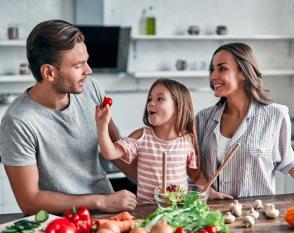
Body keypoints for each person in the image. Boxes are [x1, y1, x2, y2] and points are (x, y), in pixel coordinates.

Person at [0, 19, 137, 214]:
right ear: (49, 72)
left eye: (86, 61)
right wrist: (101, 201)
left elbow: (117, 150)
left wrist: (154, 184)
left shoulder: (91, 89)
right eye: (78, 65)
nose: (88, 71)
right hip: (62, 222)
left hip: (109, 213)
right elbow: (29, 201)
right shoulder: (18, 122)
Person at [196, 42, 294, 198]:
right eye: (212, 69)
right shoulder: (203, 119)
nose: (213, 76)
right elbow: (194, 166)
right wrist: (207, 191)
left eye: (222, 68)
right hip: (213, 213)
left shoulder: (276, 115)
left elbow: (287, 160)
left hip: (256, 213)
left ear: (243, 73)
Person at [95, 78, 232, 203]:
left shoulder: (188, 140)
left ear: (178, 108)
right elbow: (110, 153)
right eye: (149, 99)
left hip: (178, 209)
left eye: (160, 99)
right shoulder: (141, 136)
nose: (151, 103)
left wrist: (210, 191)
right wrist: (102, 126)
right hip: (146, 210)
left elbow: (196, 176)